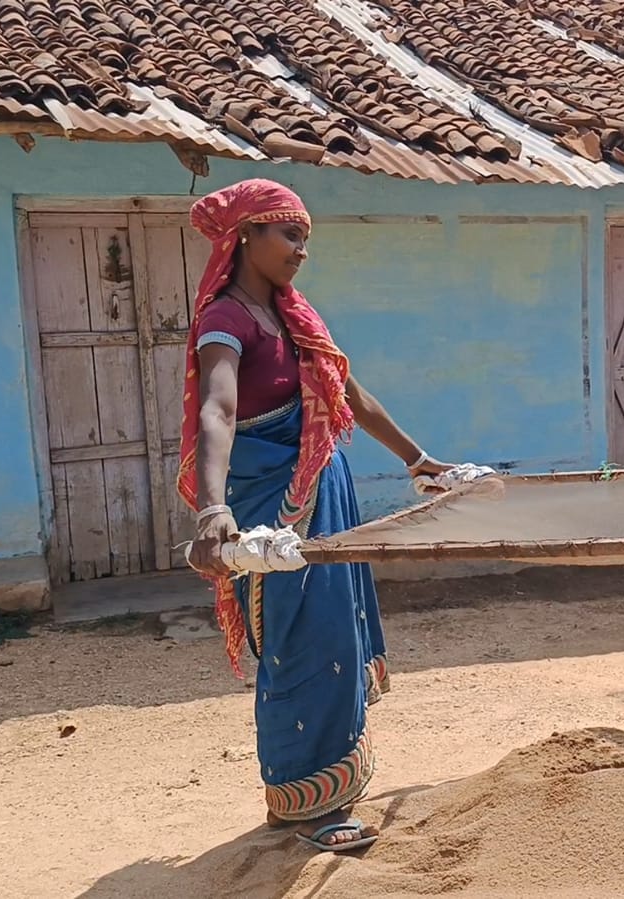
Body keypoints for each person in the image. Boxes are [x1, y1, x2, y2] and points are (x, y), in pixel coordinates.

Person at [179, 178, 451, 853]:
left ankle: (329, 789)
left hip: (325, 493)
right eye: (289, 235)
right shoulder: (226, 320)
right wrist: (213, 507)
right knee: (297, 641)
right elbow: (217, 409)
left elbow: (348, 392)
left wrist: (420, 461)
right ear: (247, 236)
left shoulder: (294, 315)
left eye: (306, 238)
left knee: (337, 632)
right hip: (271, 511)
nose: (301, 249)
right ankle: (303, 803)